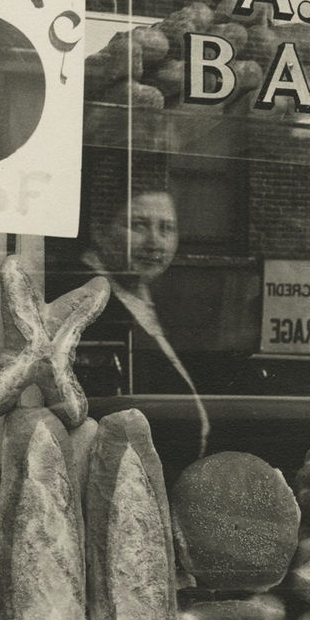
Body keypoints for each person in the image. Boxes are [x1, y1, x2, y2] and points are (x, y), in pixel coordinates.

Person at [79, 188, 210, 451]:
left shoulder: (155, 297)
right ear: (100, 232)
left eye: (166, 228)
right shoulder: (85, 301)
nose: (155, 242)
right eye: (139, 226)